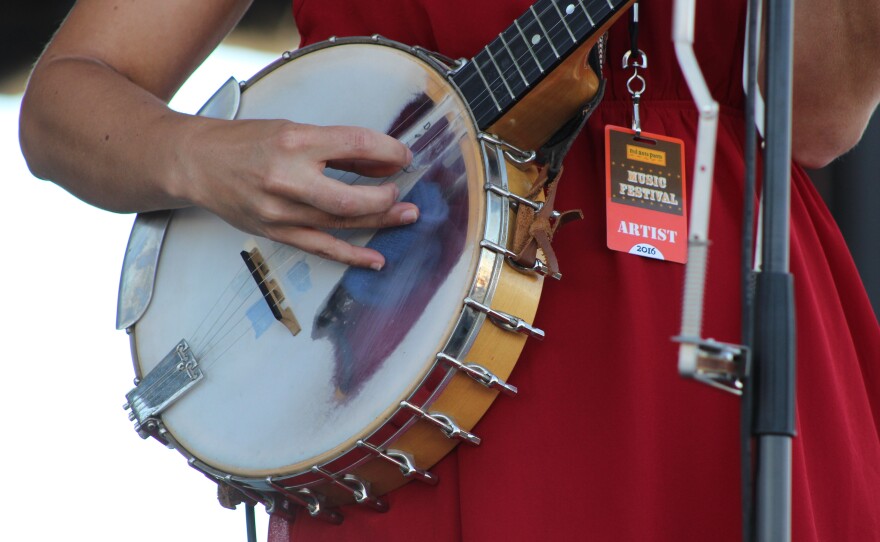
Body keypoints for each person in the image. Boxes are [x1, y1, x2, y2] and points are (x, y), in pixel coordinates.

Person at [19, 1, 880, 540]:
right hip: (402, 364)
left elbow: (822, 113)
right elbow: (64, 101)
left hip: (705, 316)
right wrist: (207, 157)